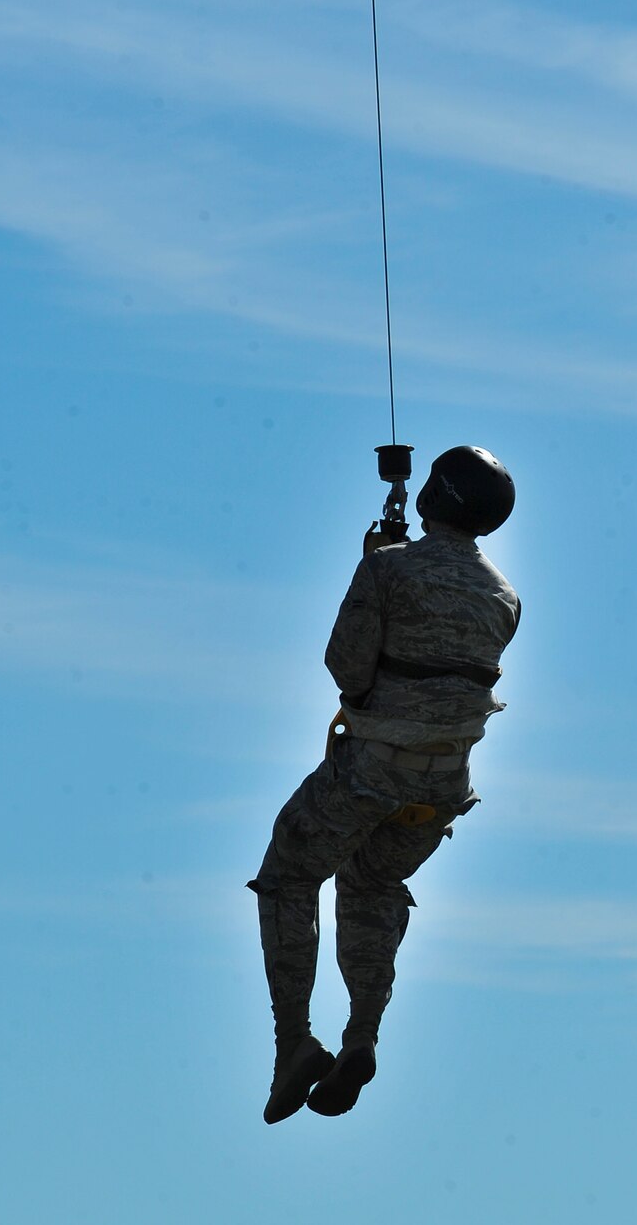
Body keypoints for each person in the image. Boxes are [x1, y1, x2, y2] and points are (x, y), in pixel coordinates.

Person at [249, 446, 521, 1123]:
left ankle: (294, 1046)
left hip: (369, 772)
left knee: (290, 874)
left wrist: (374, 565)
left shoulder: (386, 570)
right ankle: (361, 1037)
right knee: (372, 884)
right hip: (442, 787)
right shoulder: (506, 598)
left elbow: (348, 668)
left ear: (436, 496)